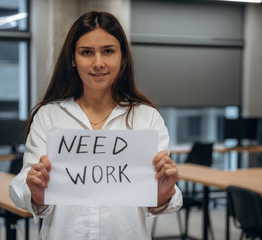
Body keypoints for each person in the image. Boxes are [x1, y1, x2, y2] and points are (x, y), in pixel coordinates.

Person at [9, 11, 182, 239]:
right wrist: (36, 193)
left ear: (123, 58)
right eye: (86, 52)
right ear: (73, 58)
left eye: (108, 51)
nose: (98, 63)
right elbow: (22, 184)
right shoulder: (48, 116)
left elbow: (155, 201)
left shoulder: (147, 118)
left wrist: (162, 194)